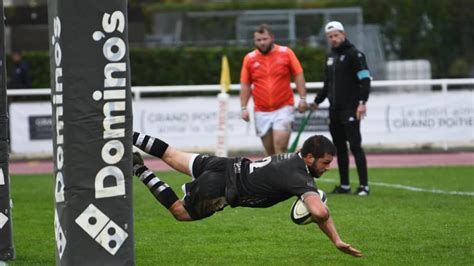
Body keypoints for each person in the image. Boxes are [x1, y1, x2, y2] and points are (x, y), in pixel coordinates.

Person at [132, 131, 362, 257]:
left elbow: (318, 210)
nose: (328, 167)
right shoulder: (299, 177)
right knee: (180, 212)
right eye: (325, 162)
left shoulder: (295, 157)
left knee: (171, 154)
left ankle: (124, 132)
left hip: (225, 165)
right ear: (310, 158)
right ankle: (139, 168)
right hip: (222, 187)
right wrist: (333, 235)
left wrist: (335, 238)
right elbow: (319, 211)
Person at [312, 21, 371, 196]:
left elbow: (365, 80)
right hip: (334, 110)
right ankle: (344, 185)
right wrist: (316, 101)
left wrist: (362, 102)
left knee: (355, 146)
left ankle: (364, 186)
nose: (333, 39)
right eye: (330, 37)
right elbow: (327, 84)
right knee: (338, 148)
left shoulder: (355, 55)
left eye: (336, 35)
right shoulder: (330, 57)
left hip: (351, 108)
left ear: (343, 35)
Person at [240, 24, 308, 156]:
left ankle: (283, 176)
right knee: (270, 152)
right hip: (261, 111)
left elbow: (298, 75)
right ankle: (276, 174)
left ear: (272, 38)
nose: (262, 43)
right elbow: (245, 84)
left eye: (265, 39)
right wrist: (243, 107)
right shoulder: (249, 58)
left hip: (284, 107)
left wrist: (303, 98)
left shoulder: (286, 53)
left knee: (280, 146)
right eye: (258, 40)